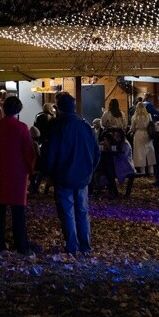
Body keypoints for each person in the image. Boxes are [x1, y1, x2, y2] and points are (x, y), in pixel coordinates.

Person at [44, 92, 100, 256]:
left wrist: (48, 171)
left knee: (67, 211)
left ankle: (72, 245)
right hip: (82, 175)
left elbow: (51, 152)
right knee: (82, 211)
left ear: (58, 108)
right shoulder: (85, 126)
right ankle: (85, 245)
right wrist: (90, 170)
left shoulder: (57, 126)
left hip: (63, 175)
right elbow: (96, 152)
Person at [0, 96, 36, 254]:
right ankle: (21, 243)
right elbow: (28, 152)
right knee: (18, 210)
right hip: (18, 172)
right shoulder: (22, 128)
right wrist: (30, 169)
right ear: (18, 110)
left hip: (0, 170)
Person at [130, 102, 157, 179]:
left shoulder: (134, 117)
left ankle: (142, 171)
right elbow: (151, 125)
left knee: (140, 153)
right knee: (149, 151)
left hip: (138, 134)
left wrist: (131, 132)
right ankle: (151, 171)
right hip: (147, 134)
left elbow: (132, 128)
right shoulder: (148, 116)